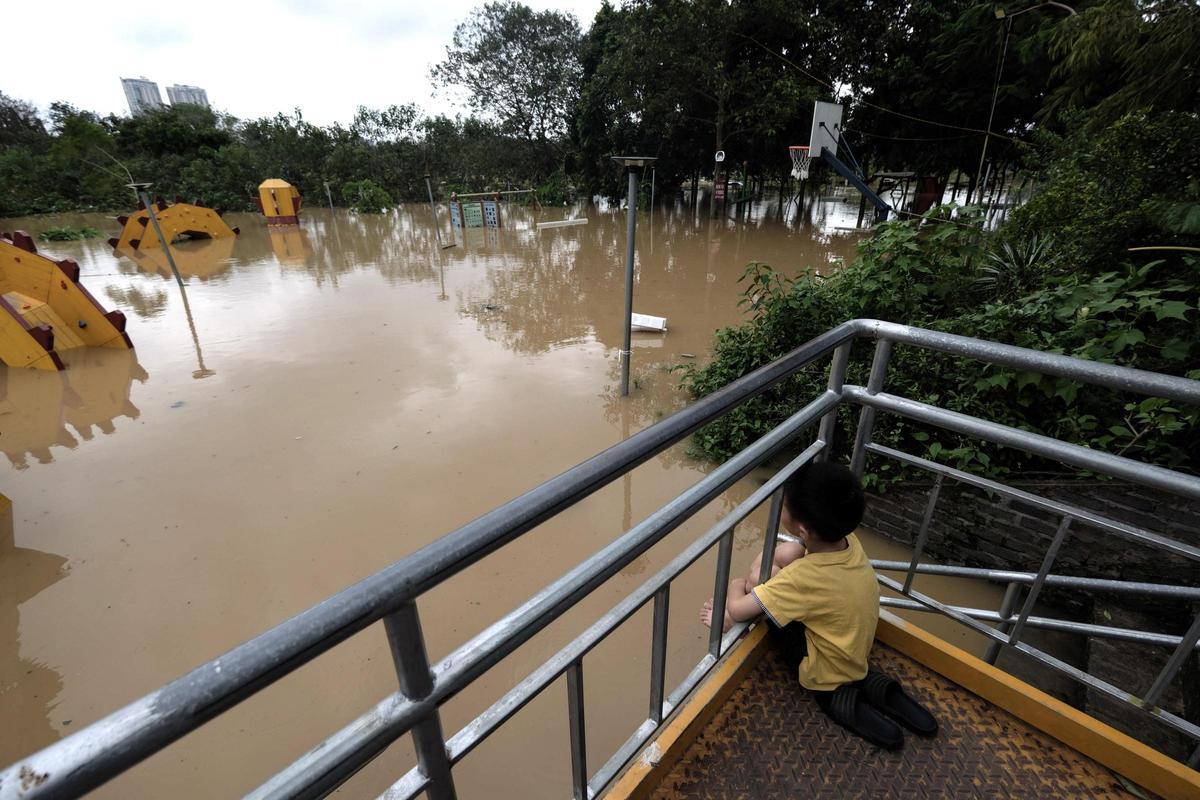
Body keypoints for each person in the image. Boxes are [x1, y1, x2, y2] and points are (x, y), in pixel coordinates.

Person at [699, 460, 910, 749]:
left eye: (784, 505)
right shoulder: (850, 543)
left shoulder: (801, 578)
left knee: (751, 592)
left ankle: (833, 693)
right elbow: (795, 554)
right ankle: (863, 681)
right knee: (771, 576)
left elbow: (739, 608)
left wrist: (735, 586)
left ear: (801, 529)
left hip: (820, 673)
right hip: (853, 648)